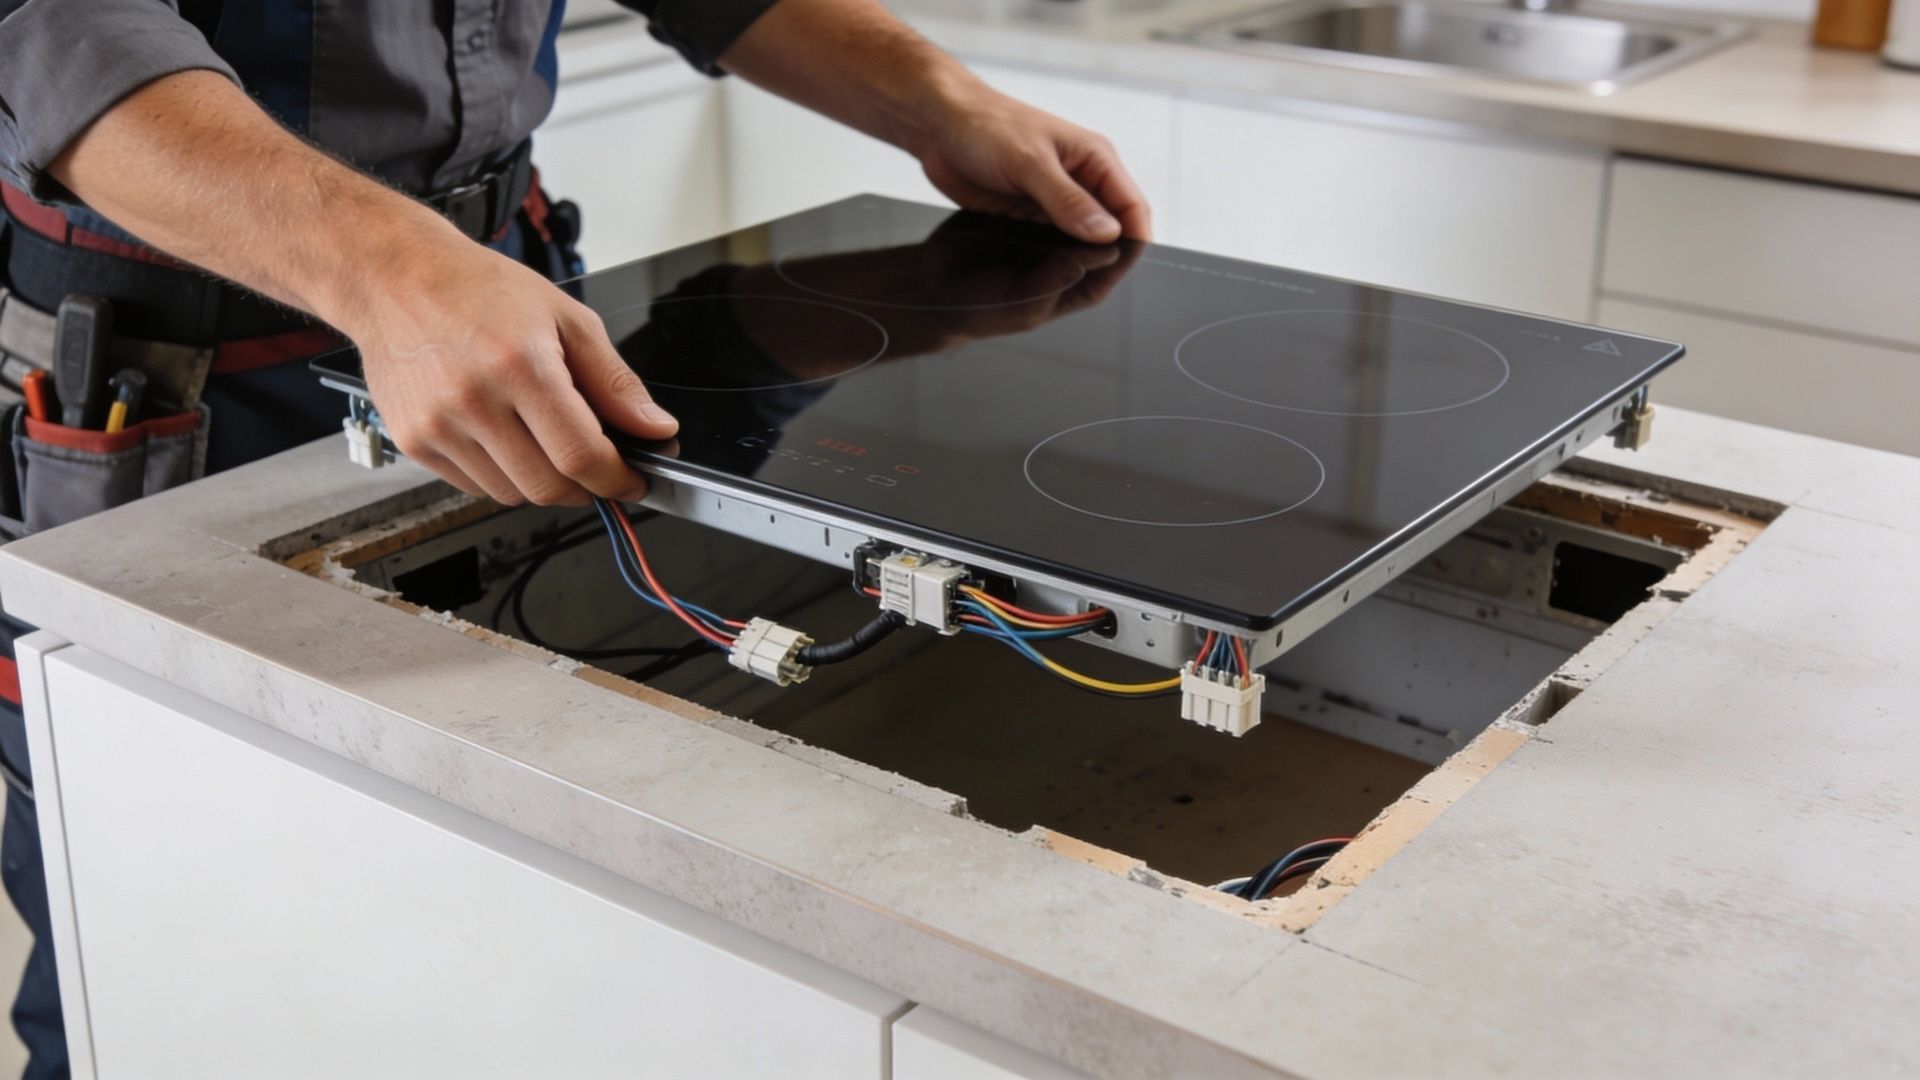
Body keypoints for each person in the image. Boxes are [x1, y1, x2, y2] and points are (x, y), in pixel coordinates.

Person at [0, 0, 1150, 1072]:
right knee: (162, 919)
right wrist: (392, 275)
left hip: (502, 305)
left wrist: (935, 99)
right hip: (189, 365)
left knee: (471, 909)